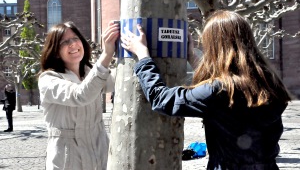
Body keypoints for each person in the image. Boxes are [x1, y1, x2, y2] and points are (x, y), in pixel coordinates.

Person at [121, 10, 291, 170]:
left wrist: (143, 56)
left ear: (215, 46)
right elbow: (220, 85)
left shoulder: (218, 92)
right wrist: (192, 58)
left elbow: (162, 99)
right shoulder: (269, 83)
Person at [38, 21, 118, 170]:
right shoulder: (48, 80)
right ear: (55, 51)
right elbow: (80, 95)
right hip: (68, 158)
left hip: (100, 152)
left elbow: (119, 80)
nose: (73, 44)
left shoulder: (90, 72)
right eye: (64, 42)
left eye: (75, 38)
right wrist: (107, 54)